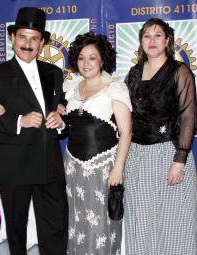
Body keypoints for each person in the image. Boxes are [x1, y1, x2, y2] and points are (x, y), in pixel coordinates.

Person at [0, 7, 68, 255]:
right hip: (16, 165)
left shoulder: (54, 73)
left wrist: (61, 120)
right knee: (16, 230)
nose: (28, 44)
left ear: (42, 42)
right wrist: (18, 121)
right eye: (23, 37)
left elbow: (63, 107)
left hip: (50, 163)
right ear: (13, 38)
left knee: (55, 226)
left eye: (34, 38)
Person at [124, 18, 197, 254]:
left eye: (157, 35)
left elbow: (188, 117)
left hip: (169, 154)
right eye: (147, 36)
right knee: (139, 222)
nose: (152, 40)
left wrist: (180, 160)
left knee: (174, 222)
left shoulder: (180, 72)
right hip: (136, 157)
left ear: (167, 40)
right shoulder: (133, 73)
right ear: (141, 42)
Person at [61, 32, 132, 254]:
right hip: (72, 168)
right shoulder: (70, 88)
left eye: (92, 57)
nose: (86, 63)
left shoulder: (115, 88)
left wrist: (117, 169)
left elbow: (126, 132)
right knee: (76, 223)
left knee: (101, 225)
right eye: (81, 57)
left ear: (102, 59)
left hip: (104, 168)